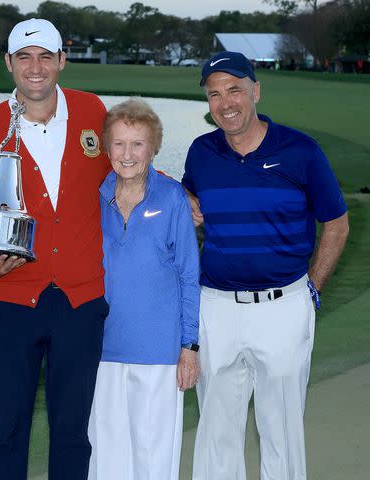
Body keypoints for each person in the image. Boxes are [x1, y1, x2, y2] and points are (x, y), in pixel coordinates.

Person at [183, 51, 349, 480]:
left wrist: (312, 287)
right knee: (217, 431)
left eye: (235, 89)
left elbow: (336, 223)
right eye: (215, 94)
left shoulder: (300, 151)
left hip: (283, 306)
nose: (225, 102)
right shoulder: (201, 152)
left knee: (281, 430)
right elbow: (185, 200)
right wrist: (182, 196)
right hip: (215, 307)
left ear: (256, 90)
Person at [0, 18, 110, 480]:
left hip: (80, 300)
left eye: (46, 56)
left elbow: (130, 168)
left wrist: (176, 192)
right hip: (13, 298)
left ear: (63, 60)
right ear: (8, 64)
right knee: (7, 428)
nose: (36, 67)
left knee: (72, 430)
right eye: (24, 57)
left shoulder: (92, 113)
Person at [87, 98, 200, 480]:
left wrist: (190, 347)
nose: (128, 154)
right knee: (106, 455)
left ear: (153, 148)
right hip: (102, 348)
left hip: (159, 351)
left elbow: (188, 275)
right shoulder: (94, 198)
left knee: (153, 456)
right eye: (119, 143)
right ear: (106, 147)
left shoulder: (172, 199)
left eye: (138, 144)